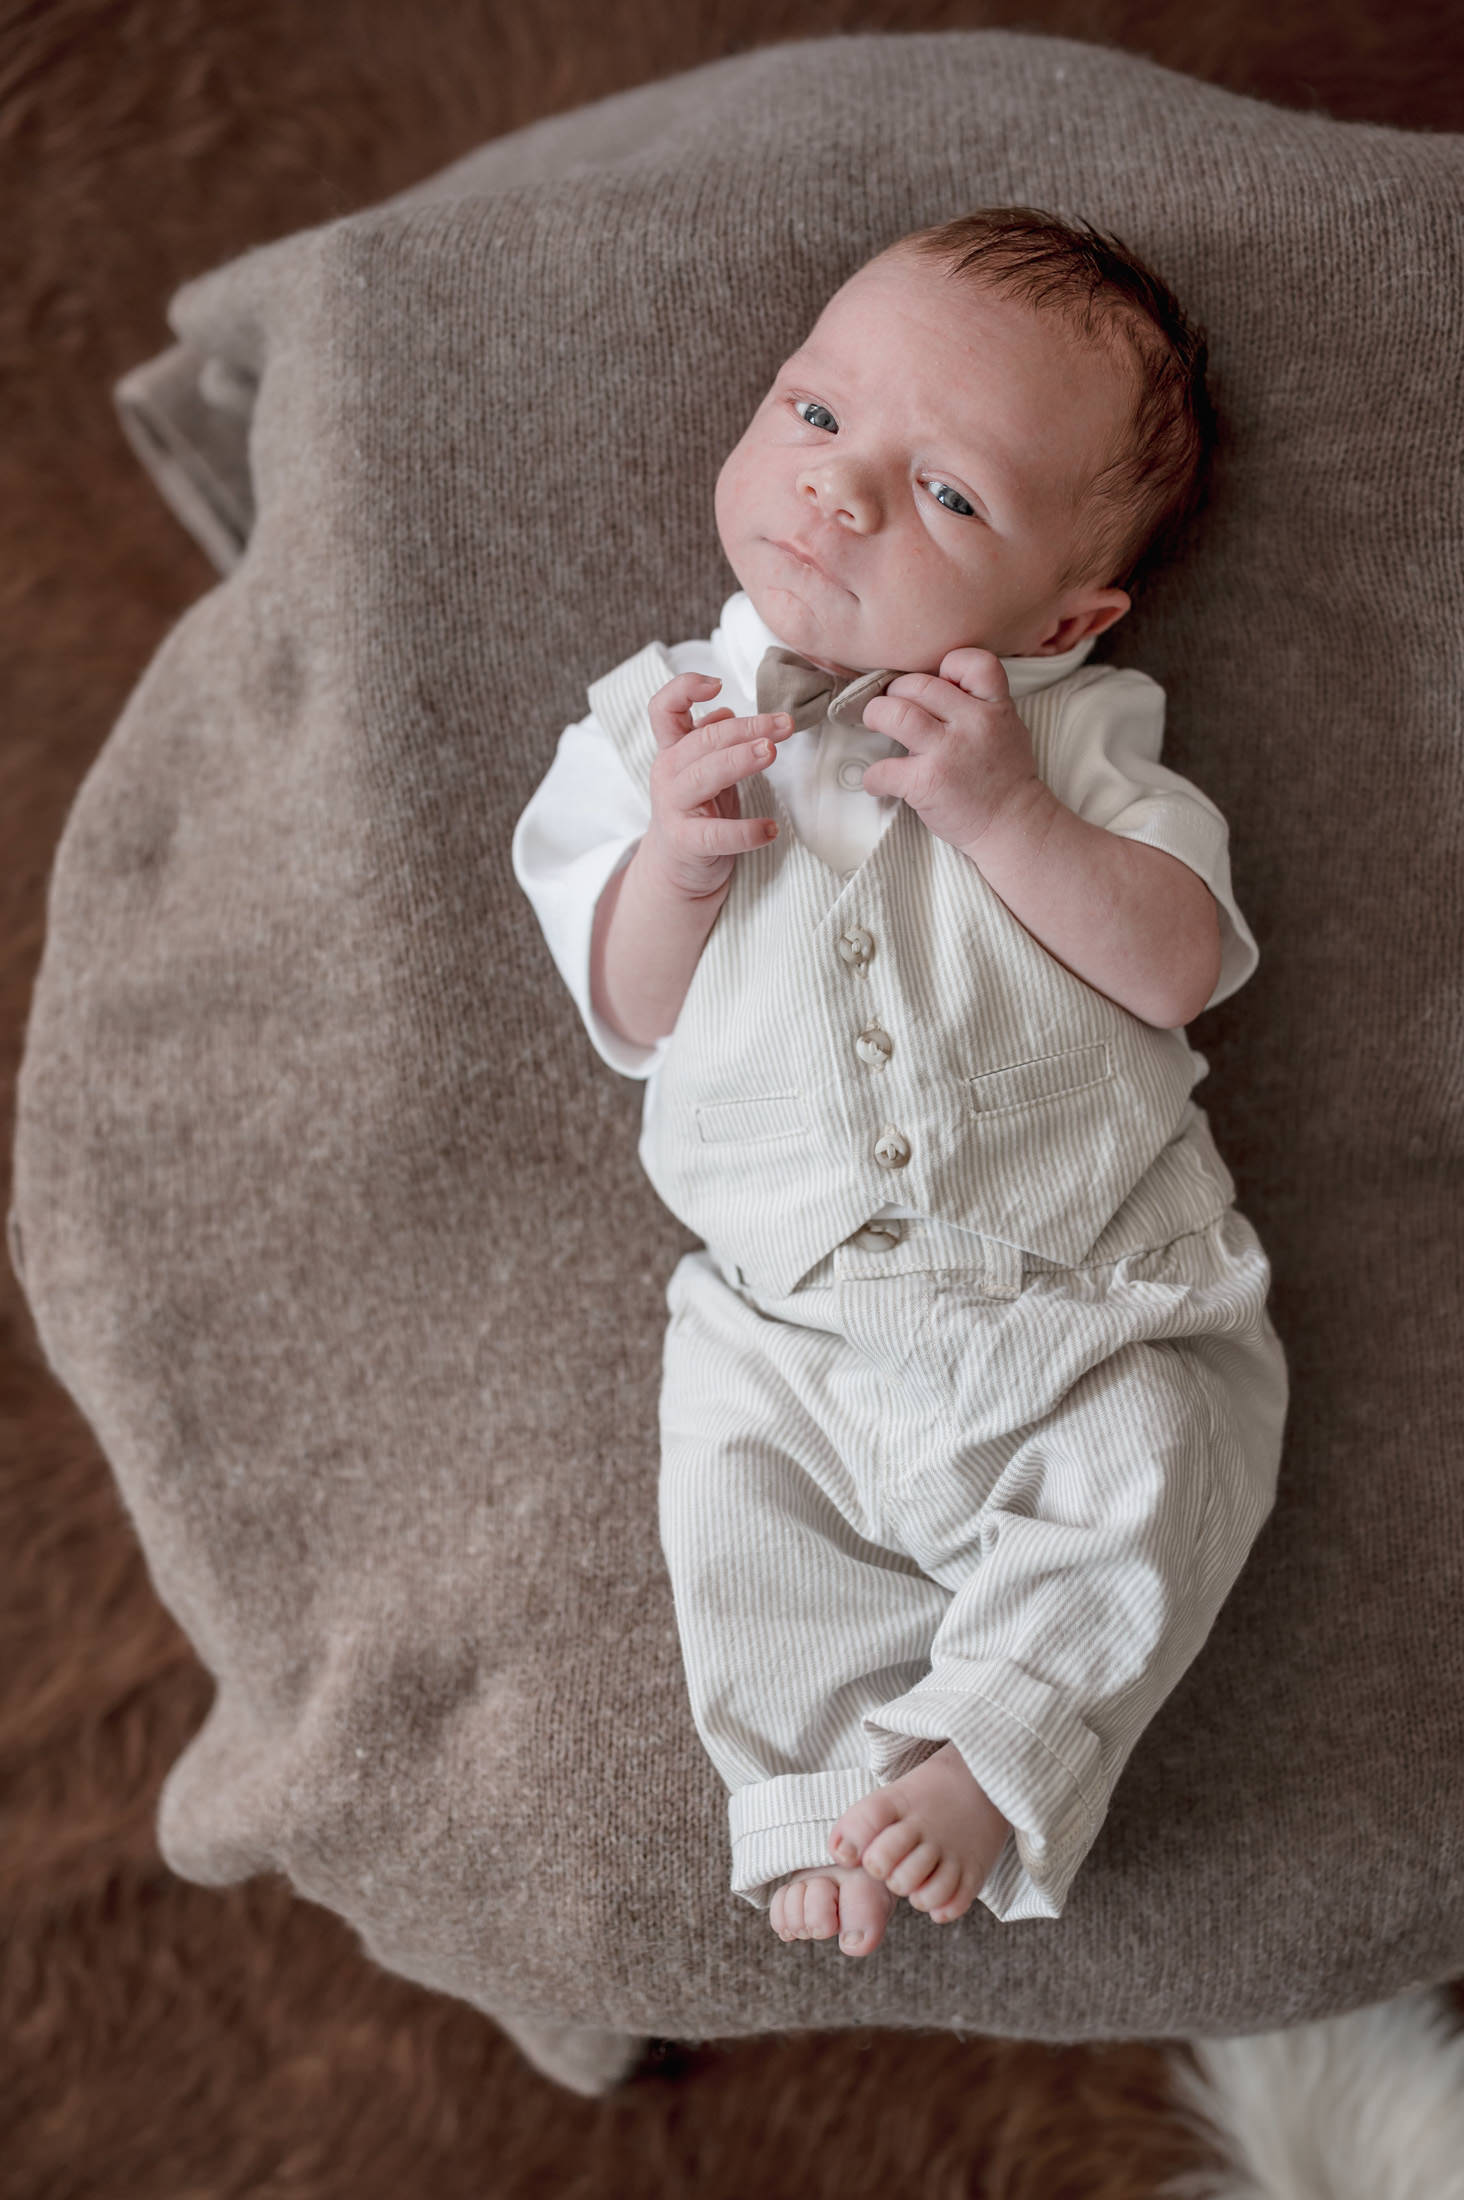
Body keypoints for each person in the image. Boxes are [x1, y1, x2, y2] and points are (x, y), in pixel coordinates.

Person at [512, 207, 1288, 1959]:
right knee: (738, 1516)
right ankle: (812, 1802)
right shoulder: (652, 729)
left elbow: (1177, 965)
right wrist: (677, 863)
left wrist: (1009, 814)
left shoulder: (1081, 740)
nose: (842, 490)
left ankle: (989, 1751)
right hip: (788, 1314)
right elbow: (625, 1009)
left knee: (1167, 1462)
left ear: (1069, 612)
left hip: (1089, 1288)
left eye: (947, 495)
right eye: (814, 414)